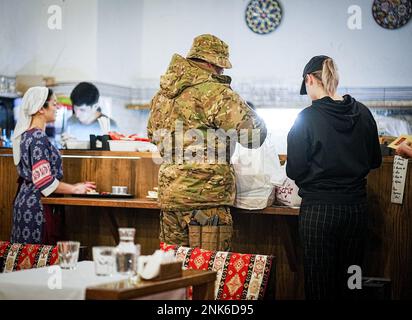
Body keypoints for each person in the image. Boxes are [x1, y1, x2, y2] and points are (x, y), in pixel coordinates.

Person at [147, 34, 267, 250]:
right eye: (221, 67)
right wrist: (248, 111)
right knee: (209, 272)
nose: (222, 72)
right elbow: (253, 137)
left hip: (170, 199)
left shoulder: (161, 95)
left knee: (173, 273)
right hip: (206, 201)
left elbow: (152, 135)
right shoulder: (216, 92)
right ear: (213, 63)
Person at [286, 56, 382, 300]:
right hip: (356, 211)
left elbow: (294, 170)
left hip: (319, 213)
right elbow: (375, 161)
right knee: (352, 280)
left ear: (310, 79)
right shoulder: (363, 112)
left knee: (320, 284)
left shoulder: (306, 118)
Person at [11, 87, 96, 244]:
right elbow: (43, 180)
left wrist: (74, 186)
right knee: (37, 261)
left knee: (24, 260)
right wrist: (75, 189)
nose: (58, 108)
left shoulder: (28, 135)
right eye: (54, 104)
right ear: (40, 109)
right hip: (36, 207)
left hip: (26, 201)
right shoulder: (37, 137)